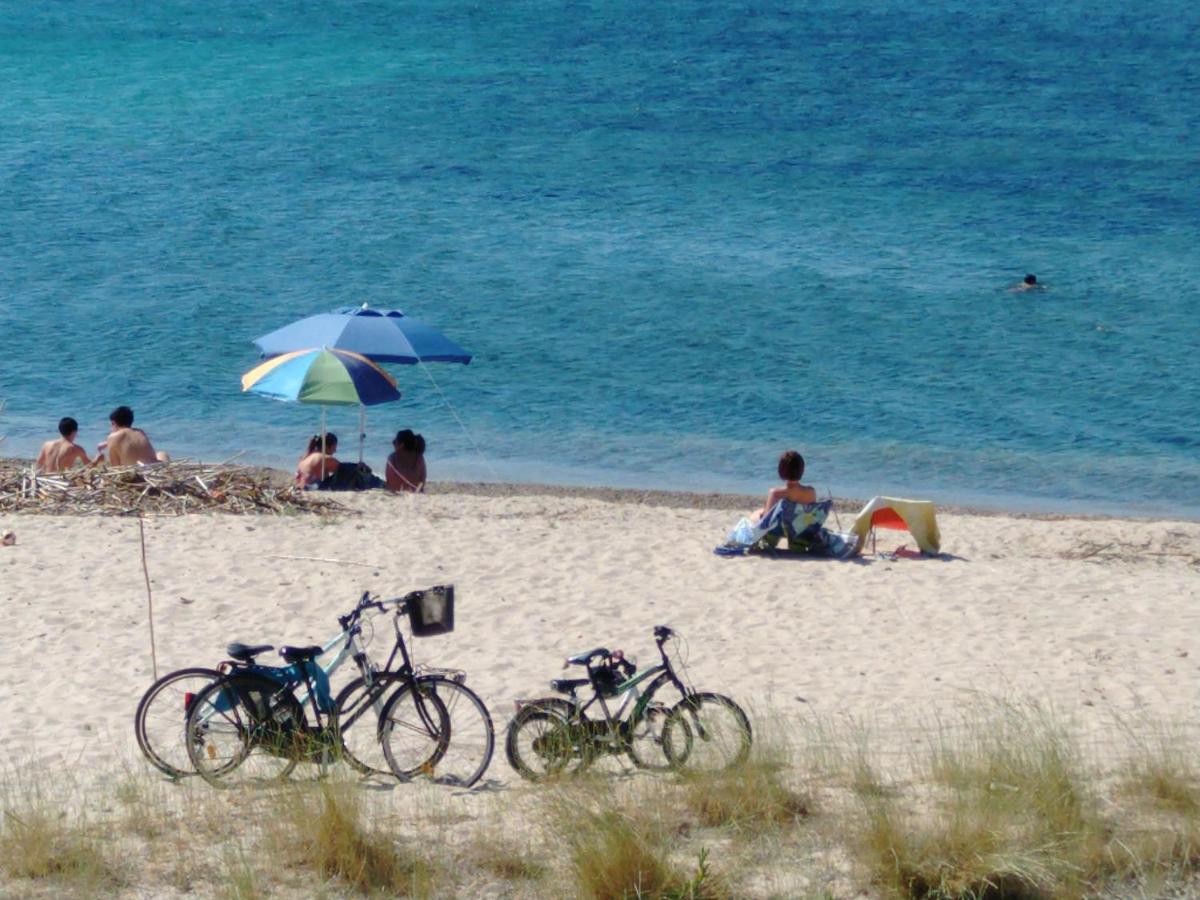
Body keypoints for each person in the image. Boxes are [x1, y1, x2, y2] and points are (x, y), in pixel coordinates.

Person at [752, 450, 816, 520]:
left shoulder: (775, 493)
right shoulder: (811, 492)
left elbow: (767, 520)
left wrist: (761, 515)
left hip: (782, 530)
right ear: (802, 470)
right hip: (801, 529)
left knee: (755, 514)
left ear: (781, 471)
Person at [97, 406, 167, 466]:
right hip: (152, 469)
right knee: (162, 453)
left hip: (136, 473)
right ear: (131, 421)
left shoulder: (111, 437)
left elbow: (116, 466)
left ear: (113, 423)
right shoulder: (140, 432)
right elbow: (129, 439)